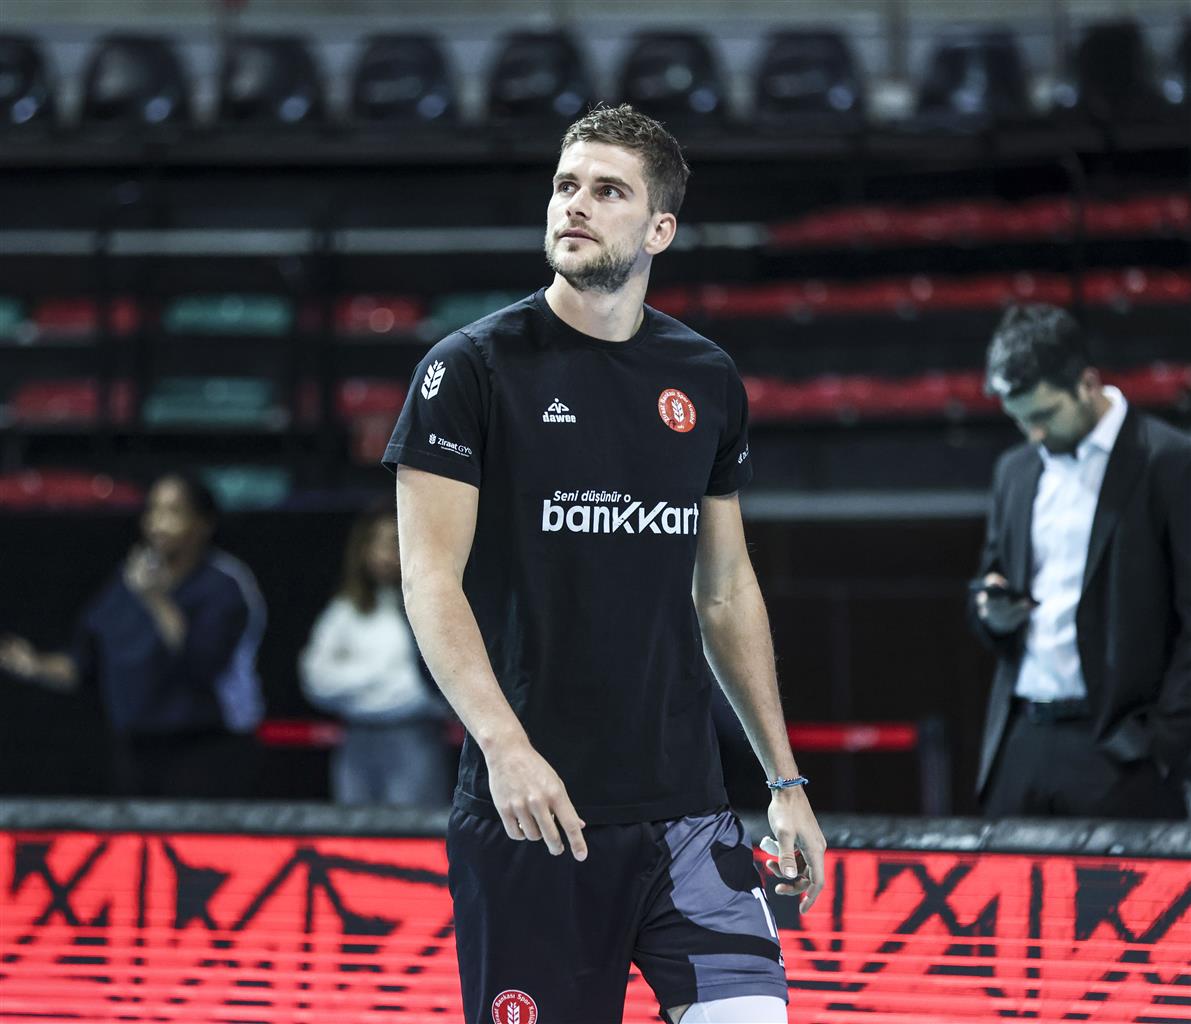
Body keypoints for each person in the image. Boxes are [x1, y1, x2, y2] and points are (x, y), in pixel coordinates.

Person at [383, 104, 825, 1024]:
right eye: (565, 185)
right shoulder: (468, 369)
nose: (575, 205)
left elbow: (724, 590)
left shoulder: (704, 375)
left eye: (608, 191)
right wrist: (504, 749)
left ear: (659, 229)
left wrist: (783, 783)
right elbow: (428, 581)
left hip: (687, 808)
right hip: (535, 811)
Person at [969, 303, 1190, 819]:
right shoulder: (1014, 470)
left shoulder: (1170, 461)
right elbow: (989, 578)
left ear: (1087, 384)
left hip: (1121, 749)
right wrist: (991, 610)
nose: (1033, 434)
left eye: (1044, 416)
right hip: (1020, 742)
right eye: (1020, 420)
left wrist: (1163, 740)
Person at [0, 472, 266, 798]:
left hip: (208, 747)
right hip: (136, 750)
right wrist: (34, 665)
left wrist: (156, 600)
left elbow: (201, 664)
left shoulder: (225, 585)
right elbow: (85, 662)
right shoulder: (128, 582)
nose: (159, 524)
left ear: (204, 523)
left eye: (174, 512)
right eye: (153, 510)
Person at [299, 503, 450, 806]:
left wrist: (355, 679)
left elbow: (432, 688)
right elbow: (316, 680)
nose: (384, 554)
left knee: (413, 828)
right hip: (356, 739)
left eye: (393, 542)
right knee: (353, 827)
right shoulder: (344, 609)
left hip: (414, 736)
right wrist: (384, 672)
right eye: (375, 542)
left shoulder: (432, 609)